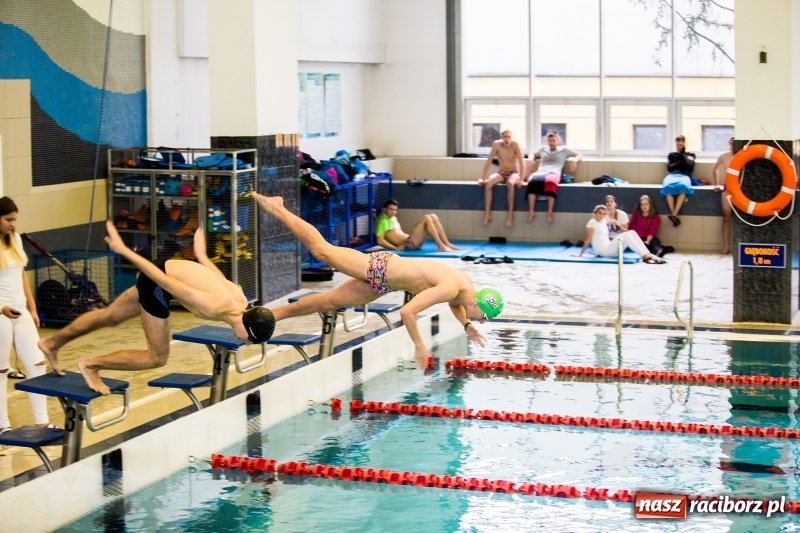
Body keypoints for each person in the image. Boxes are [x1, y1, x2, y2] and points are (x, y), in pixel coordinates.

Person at [252, 192, 503, 365]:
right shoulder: (451, 288)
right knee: (322, 250)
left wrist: (467, 326)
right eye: (483, 318)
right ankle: (277, 207)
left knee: (329, 302)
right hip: (381, 267)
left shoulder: (465, 290)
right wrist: (419, 345)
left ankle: (274, 314)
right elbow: (407, 312)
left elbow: (456, 305)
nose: (482, 322)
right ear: (479, 306)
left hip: (385, 282)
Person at [37, 221, 276, 395]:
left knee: (110, 317)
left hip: (167, 270)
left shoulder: (241, 302)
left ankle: (51, 343)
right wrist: (125, 251)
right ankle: (90, 365)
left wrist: (202, 255)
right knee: (157, 357)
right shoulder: (213, 307)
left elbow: (218, 277)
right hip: (159, 280)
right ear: (246, 327)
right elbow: (164, 282)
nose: (245, 344)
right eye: (249, 340)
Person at [0, 197, 55, 433]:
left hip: (20, 310)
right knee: (1, 370)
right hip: (1, 312)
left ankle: (41, 421)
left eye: (15, 220)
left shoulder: (15, 240)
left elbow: (21, 275)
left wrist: (32, 309)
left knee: (37, 363)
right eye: (8, 220)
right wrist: (1, 307)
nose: (13, 224)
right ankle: (2, 425)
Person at [577, 205, 666, 264]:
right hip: (603, 251)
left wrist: (616, 222)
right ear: (595, 213)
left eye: (604, 214)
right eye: (599, 213)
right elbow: (588, 239)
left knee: (631, 232)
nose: (601, 216)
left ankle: (648, 254)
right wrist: (580, 255)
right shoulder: (592, 223)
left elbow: (609, 223)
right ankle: (646, 257)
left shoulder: (603, 221)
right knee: (626, 235)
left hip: (609, 248)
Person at [524, 132, 582, 223]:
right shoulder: (543, 149)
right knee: (532, 181)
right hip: (541, 172)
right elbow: (533, 153)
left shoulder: (564, 150)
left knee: (551, 183)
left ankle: (550, 211)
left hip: (554, 173)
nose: (551, 142)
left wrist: (575, 161)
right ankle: (531, 211)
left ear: (557, 140)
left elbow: (578, 154)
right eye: (549, 141)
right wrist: (531, 160)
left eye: (553, 140)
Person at [477, 130, 526, 228]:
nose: (507, 139)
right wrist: (483, 178)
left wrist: (521, 179)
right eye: (505, 137)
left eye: (509, 137)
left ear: (511, 138)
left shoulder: (515, 145)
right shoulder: (496, 145)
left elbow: (522, 163)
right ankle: (487, 214)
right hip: (502, 172)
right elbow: (489, 161)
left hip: (514, 173)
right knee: (488, 184)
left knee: (510, 184)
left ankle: (510, 216)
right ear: (501, 138)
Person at [375, 199, 458, 253]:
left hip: (410, 241)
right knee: (426, 218)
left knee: (433, 216)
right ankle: (441, 246)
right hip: (408, 244)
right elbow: (380, 240)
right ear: (385, 209)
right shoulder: (383, 222)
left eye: (395, 210)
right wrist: (395, 248)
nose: (393, 212)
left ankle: (447, 243)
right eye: (390, 209)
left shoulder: (393, 218)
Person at [661, 134, 696, 227]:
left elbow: (689, 167)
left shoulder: (690, 155)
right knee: (667, 187)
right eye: (677, 145)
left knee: (684, 187)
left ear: (684, 144)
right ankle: (674, 215)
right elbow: (670, 168)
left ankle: (674, 214)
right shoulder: (672, 155)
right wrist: (681, 161)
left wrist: (682, 157)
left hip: (684, 176)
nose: (679, 147)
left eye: (681, 145)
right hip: (672, 175)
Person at [712, 137, 734, 254]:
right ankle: (726, 245)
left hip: (741, 189)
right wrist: (716, 184)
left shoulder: (744, 156)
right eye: (731, 144)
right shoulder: (725, 157)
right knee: (726, 217)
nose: (733, 146)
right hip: (728, 188)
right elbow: (715, 168)